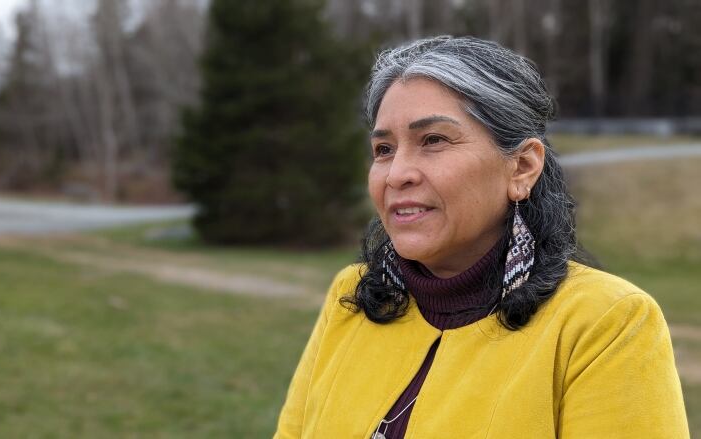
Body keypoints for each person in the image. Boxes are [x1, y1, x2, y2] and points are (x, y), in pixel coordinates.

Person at [273, 36, 689, 438]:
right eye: (383, 149)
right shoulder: (353, 297)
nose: (397, 173)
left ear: (522, 167)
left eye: (433, 140)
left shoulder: (604, 324)